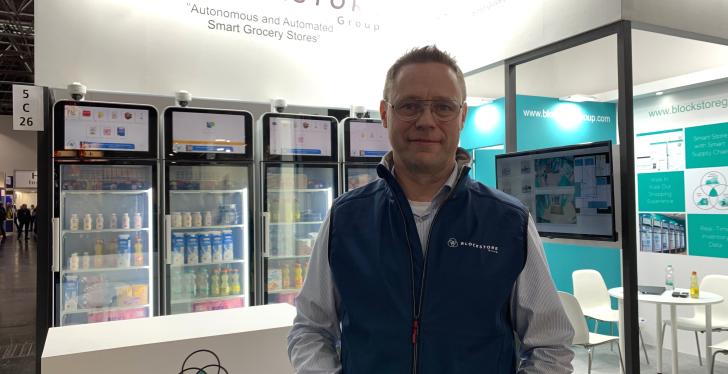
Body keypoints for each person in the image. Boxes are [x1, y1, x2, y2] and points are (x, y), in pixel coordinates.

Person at [288, 46, 574, 373]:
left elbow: (551, 345)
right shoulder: (346, 217)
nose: (426, 121)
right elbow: (310, 328)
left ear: (462, 116)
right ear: (385, 113)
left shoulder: (509, 222)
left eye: (443, 107)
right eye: (410, 106)